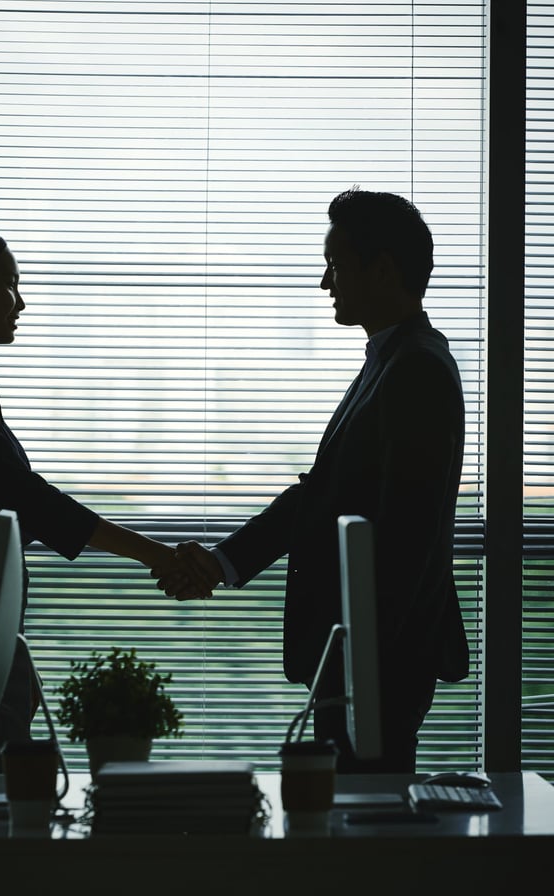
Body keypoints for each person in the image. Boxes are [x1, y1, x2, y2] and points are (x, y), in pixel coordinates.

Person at [156, 188, 469, 773]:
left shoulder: (416, 368)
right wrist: (226, 562)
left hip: (378, 659)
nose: (325, 283)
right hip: (361, 655)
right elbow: (321, 494)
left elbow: (410, 533)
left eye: (336, 265)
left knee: (364, 833)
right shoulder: (390, 361)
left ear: (381, 270)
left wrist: (363, 671)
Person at [0, 223, 203, 773]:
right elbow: (29, 501)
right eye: (9, 283)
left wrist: (13, 651)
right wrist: (158, 555)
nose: (20, 301)